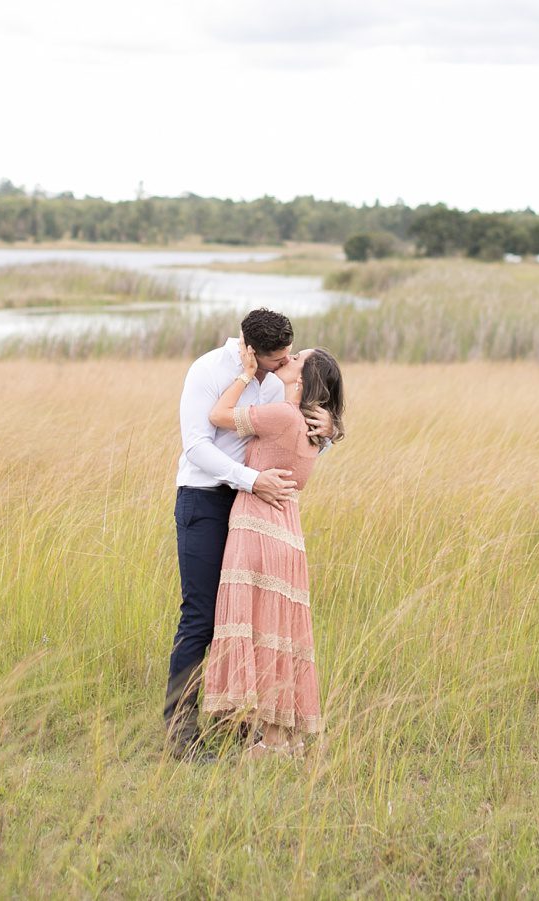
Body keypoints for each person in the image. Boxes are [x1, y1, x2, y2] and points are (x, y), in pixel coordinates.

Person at [163, 308, 322, 760]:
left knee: (248, 616)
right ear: (250, 349)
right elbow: (195, 446)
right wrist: (252, 481)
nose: (283, 364)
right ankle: (181, 735)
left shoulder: (276, 380)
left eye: (287, 356)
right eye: (275, 358)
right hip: (205, 499)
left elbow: (293, 428)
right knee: (201, 617)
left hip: (249, 508)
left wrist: (329, 433)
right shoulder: (208, 370)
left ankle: (238, 723)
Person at [202, 343, 344, 759]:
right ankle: (286, 737)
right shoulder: (315, 432)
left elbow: (217, 417)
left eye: (296, 358)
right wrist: (334, 429)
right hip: (287, 533)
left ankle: (273, 740)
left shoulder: (283, 415)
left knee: (262, 628)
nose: (287, 358)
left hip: (257, 525)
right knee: (279, 630)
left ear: (301, 380)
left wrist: (245, 375)